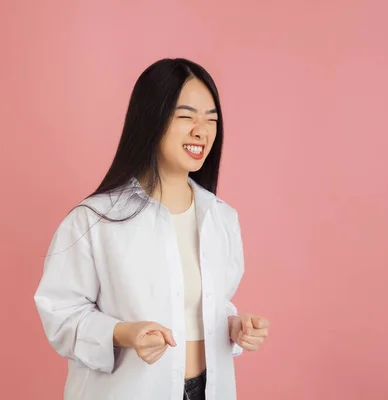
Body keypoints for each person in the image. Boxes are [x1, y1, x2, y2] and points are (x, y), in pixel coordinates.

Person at [34, 58, 270, 400]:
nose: (201, 131)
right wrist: (122, 332)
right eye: (186, 117)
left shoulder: (222, 218)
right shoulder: (95, 219)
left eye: (211, 120)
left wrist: (234, 326)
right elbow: (61, 314)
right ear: (151, 120)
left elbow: (208, 304)